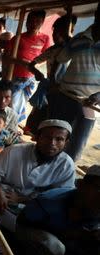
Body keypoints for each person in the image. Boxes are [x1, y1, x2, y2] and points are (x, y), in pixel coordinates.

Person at [0, 119, 75, 231]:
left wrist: (22, 199)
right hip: (4, 197)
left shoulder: (66, 165)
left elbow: (60, 197)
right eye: (47, 137)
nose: (52, 143)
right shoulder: (14, 151)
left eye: (59, 139)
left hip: (35, 205)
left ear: (66, 142)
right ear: (37, 137)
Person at [16, 165, 100, 255]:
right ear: (81, 185)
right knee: (54, 247)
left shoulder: (95, 207)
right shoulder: (48, 202)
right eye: (98, 188)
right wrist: (67, 234)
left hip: (72, 240)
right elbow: (22, 222)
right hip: (37, 233)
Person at [47, 4, 100, 162]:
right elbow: (61, 58)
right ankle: (43, 173)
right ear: (97, 15)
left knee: (76, 146)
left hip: (88, 103)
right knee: (53, 141)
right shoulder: (79, 38)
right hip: (65, 96)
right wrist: (53, 81)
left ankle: (63, 177)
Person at [4, 10, 50, 122]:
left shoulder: (45, 38)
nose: (33, 24)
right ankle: (11, 125)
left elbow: (47, 56)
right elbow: (7, 57)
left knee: (22, 102)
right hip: (16, 76)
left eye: (37, 21)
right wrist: (24, 63)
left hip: (31, 78)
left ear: (42, 22)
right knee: (12, 103)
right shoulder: (18, 38)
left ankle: (14, 124)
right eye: (31, 21)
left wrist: (34, 65)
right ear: (26, 22)